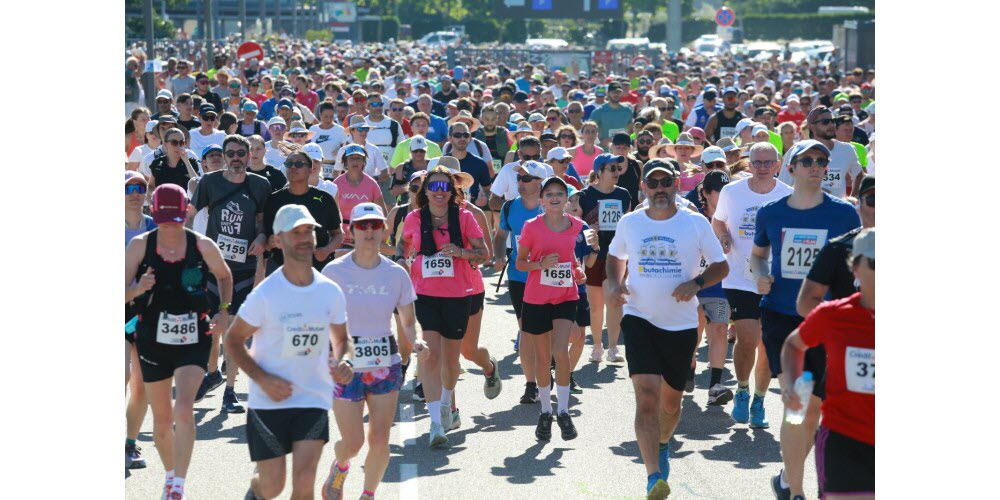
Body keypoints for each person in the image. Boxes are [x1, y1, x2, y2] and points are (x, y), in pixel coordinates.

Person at [606, 159, 728, 500]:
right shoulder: (631, 222)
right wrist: (614, 283)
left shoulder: (695, 223)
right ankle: (653, 476)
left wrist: (696, 283)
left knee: (671, 406)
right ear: (643, 186)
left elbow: (721, 266)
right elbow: (615, 257)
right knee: (647, 397)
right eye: (653, 182)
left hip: (681, 324)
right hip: (639, 317)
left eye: (665, 182)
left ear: (676, 184)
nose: (659, 188)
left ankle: (661, 443)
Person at [751, 140, 860, 495]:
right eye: (808, 160)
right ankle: (796, 492)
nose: (816, 166)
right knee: (795, 403)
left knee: (813, 411)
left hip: (826, 320)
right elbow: (758, 255)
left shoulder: (845, 214)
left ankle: (785, 478)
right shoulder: (771, 212)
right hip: (782, 316)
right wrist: (760, 275)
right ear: (792, 167)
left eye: (821, 161)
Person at [223, 204, 354, 500]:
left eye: (308, 231)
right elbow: (232, 340)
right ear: (278, 240)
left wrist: (345, 360)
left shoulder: (329, 290)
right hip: (269, 402)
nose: (305, 237)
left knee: (305, 480)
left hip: (313, 397)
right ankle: (256, 490)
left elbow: (343, 340)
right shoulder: (266, 294)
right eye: (296, 232)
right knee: (272, 487)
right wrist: (262, 378)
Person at [124, 184, 234, 500]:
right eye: (164, 220)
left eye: (175, 220)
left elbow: (224, 276)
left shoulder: (202, 245)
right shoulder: (140, 246)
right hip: (152, 339)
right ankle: (170, 474)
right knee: (162, 420)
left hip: (193, 338)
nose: (171, 227)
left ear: (185, 213)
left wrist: (223, 311)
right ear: (155, 215)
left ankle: (178, 486)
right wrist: (138, 288)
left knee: (184, 409)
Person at [767, 175, 874, 499]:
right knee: (805, 413)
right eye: (873, 199)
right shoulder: (839, 248)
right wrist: (842, 328)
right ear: (859, 204)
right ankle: (793, 488)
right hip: (830, 346)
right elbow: (805, 303)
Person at [320, 203, 428, 500]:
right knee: (353, 443)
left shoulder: (396, 273)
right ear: (351, 230)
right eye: (362, 225)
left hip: (384, 364)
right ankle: (341, 466)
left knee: (380, 439)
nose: (369, 231)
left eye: (375, 225)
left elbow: (408, 320)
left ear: (384, 230)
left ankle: (368, 494)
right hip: (345, 365)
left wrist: (416, 341)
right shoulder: (334, 271)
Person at [399, 166, 488, 448]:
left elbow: (484, 253)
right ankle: (436, 422)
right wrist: (402, 260)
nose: (439, 192)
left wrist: (461, 252)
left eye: (445, 187)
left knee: (451, 361)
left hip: (457, 295)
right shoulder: (414, 218)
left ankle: (448, 403)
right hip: (424, 295)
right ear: (425, 191)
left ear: (452, 191)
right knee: (430, 356)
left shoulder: (464, 217)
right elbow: (402, 246)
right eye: (434, 187)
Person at [191, 135, 273, 411]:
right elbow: (191, 214)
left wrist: (261, 237)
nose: (236, 158)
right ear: (224, 156)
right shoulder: (209, 182)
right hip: (214, 266)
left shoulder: (260, 185)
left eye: (241, 153)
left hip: (244, 269)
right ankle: (213, 373)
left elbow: (263, 222)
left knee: (233, 329)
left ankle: (230, 390)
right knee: (213, 326)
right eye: (231, 153)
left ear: (249, 156)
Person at [516, 176, 586, 441]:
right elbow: (520, 263)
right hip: (536, 298)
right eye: (549, 194)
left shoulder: (576, 225)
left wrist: (577, 271)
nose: (555, 197)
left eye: (559, 193)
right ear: (542, 200)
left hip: (565, 295)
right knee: (543, 358)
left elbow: (571, 259)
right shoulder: (531, 227)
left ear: (566, 199)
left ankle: (563, 411)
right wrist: (540, 265)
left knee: (560, 350)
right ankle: (546, 411)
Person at [492, 161, 546, 404]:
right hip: (519, 276)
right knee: (526, 330)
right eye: (519, 179)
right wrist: (499, 256)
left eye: (526, 179)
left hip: (548, 277)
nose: (520, 183)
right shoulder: (509, 207)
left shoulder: (552, 206)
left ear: (540, 182)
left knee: (549, 331)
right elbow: (500, 237)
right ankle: (531, 384)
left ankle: (551, 369)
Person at [578, 153, 632, 364]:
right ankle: (597, 346)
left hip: (616, 255)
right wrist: (589, 228)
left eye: (618, 168)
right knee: (596, 305)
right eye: (612, 168)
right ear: (599, 172)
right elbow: (576, 226)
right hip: (594, 254)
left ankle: (613, 347)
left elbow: (628, 224)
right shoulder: (585, 195)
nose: (617, 172)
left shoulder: (624, 195)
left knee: (614, 302)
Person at [263, 145, 344, 274]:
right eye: (289, 164)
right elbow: (264, 235)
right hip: (281, 270)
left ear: (310, 170)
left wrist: (327, 250)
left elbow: (338, 234)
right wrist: (269, 241)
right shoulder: (274, 200)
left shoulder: (325, 199)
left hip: (317, 269)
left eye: (299, 164)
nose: (293, 167)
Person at [693, 170, 735, 404]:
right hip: (692, 286)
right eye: (719, 191)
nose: (724, 195)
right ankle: (688, 367)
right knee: (693, 334)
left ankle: (715, 386)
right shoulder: (693, 218)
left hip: (719, 287)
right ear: (707, 193)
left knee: (719, 329)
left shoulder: (734, 219)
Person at [125, 171, 157, 472]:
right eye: (128, 188)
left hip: (146, 313)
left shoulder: (154, 228)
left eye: (140, 188)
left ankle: (129, 443)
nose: (135, 193)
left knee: (141, 385)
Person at [778, 107, 862, 199]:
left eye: (833, 121)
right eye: (825, 122)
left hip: (837, 207)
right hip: (806, 207)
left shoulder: (847, 149)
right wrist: (812, 192)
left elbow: (859, 175)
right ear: (812, 126)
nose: (831, 125)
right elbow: (783, 186)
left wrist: (854, 196)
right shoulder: (797, 150)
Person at [333, 144, 387, 253]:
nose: (355, 161)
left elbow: (383, 213)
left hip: (366, 238)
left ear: (364, 162)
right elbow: (331, 214)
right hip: (341, 240)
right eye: (351, 158)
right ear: (345, 162)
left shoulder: (371, 184)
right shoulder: (337, 184)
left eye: (358, 158)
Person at [590, 82, 634, 146]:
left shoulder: (627, 110)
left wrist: (630, 143)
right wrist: (600, 142)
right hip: (604, 149)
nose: (616, 94)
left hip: (622, 149)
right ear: (608, 93)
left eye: (619, 92)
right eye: (614, 92)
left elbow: (631, 131)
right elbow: (590, 131)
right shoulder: (598, 111)